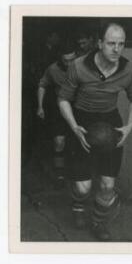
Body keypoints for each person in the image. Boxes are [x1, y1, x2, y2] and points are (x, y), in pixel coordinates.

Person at [58, 22, 132, 241]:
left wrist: (129, 125)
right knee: (83, 188)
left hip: (110, 122)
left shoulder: (128, 69)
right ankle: (79, 204)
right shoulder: (78, 66)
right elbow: (63, 99)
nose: (117, 49)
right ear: (99, 43)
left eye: (121, 44)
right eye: (111, 43)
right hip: (82, 121)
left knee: (107, 185)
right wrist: (74, 127)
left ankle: (98, 222)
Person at [36, 47, 78, 187]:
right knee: (59, 141)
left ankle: (78, 173)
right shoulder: (52, 69)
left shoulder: (82, 66)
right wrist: (40, 106)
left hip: (79, 107)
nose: (69, 63)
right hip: (60, 107)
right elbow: (42, 85)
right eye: (66, 60)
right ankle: (59, 174)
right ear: (61, 59)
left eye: (72, 59)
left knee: (77, 141)